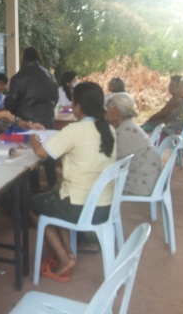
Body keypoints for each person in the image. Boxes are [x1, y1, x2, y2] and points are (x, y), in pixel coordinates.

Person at [28, 82, 116, 281]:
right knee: (57, 196)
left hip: (80, 207)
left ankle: (64, 257)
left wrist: (33, 135)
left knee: (33, 205)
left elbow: (40, 152)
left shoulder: (74, 130)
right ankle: (68, 253)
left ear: (78, 107)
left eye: (73, 102)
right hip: (105, 205)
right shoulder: (108, 129)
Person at [4, 46, 58, 190]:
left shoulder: (19, 77)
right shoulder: (49, 75)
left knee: (30, 154)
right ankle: (53, 183)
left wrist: (15, 115)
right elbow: (55, 98)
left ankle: (34, 189)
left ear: (24, 59)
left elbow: (11, 102)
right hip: (47, 120)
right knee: (49, 151)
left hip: (27, 122)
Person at [107, 93, 162, 196]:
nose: (105, 112)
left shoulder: (125, 133)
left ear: (116, 111)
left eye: (107, 108)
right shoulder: (127, 126)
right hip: (148, 178)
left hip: (142, 184)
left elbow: (113, 163)